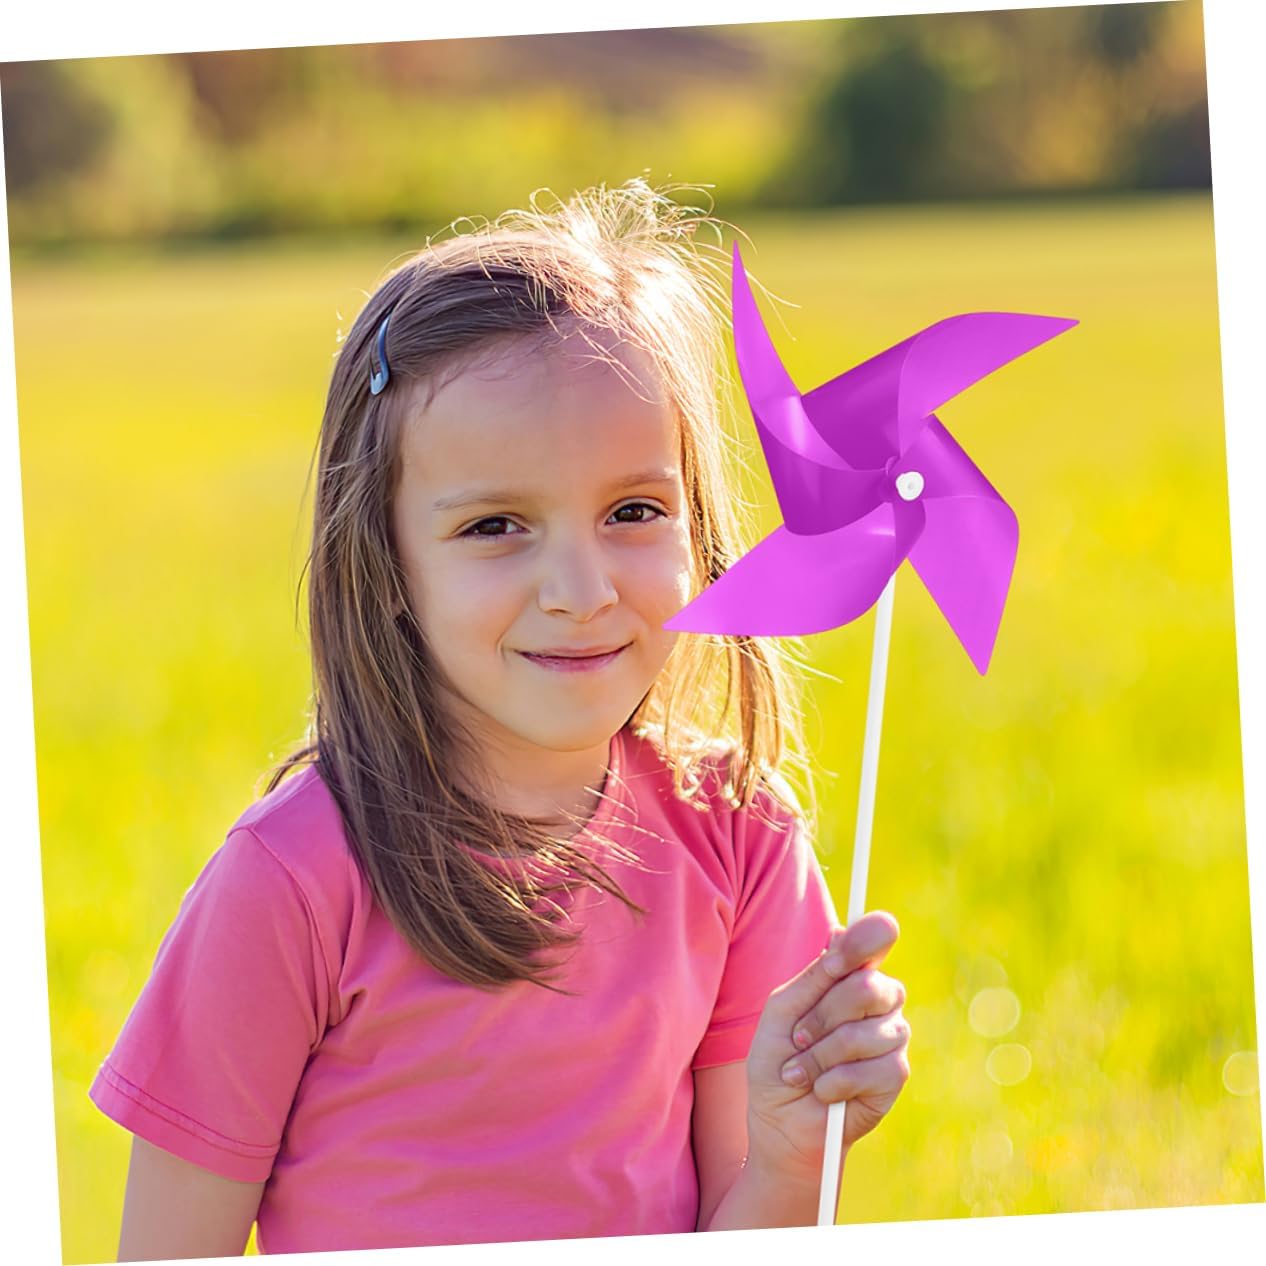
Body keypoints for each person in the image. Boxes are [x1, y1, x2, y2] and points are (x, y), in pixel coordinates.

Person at [89, 178, 911, 1258]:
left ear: (699, 525)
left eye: (633, 510)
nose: (580, 589)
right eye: (494, 526)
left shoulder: (742, 844)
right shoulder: (292, 884)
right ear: (385, 563)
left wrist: (794, 1156)